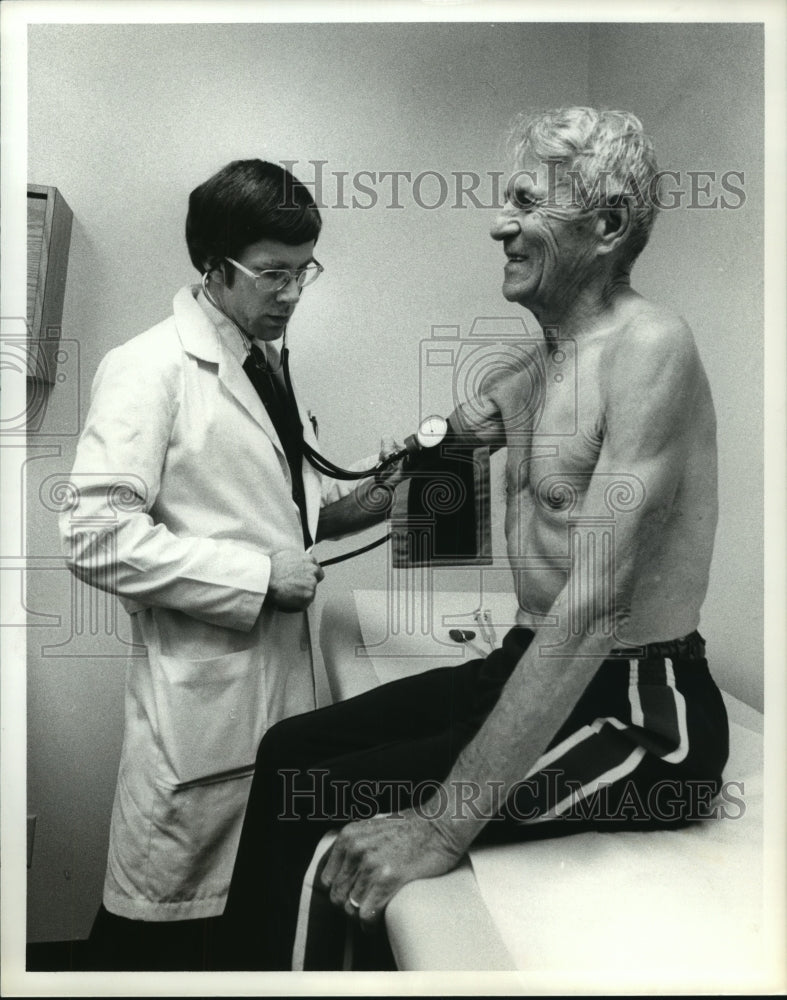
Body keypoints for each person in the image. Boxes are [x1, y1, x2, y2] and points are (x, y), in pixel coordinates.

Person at [220, 108, 730, 971]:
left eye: (526, 202)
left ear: (604, 227)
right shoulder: (525, 374)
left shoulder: (651, 346)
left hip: (642, 711)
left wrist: (440, 820)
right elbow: (414, 498)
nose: (499, 222)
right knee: (290, 753)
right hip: (525, 660)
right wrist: (396, 466)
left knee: (331, 809)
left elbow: (596, 605)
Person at [59, 159, 403, 970]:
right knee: (162, 940)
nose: (291, 295)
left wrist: (393, 487)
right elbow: (93, 533)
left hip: (269, 694)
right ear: (212, 267)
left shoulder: (264, 359)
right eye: (271, 275)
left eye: (302, 273)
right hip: (202, 704)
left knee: (242, 930)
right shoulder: (149, 368)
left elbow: (297, 512)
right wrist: (255, 579)